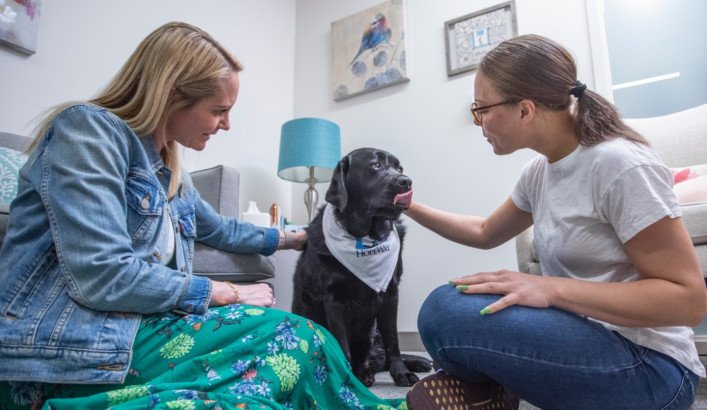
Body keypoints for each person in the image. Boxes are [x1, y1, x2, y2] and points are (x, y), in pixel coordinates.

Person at [0, 22, 406, 410]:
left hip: (138, 329)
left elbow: (222, 230)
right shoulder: (87, 132)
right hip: (69, 348)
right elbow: (102, 273)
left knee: (304, 342)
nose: (226, 125)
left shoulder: (170, 169)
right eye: (219, 110)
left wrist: (292, 237)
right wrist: (219, 291)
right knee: (289, 336)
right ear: (173, 94)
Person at [405, 34, 707, 409]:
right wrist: (408, 206)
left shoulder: (619, 164)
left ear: (525, 110)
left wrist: (550, 289)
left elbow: (688, 301)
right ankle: (497, 389)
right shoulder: (538, 173)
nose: (479, 121)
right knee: (448, 305)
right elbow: (483, 232)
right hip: (582, 337)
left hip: (651, 368)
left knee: (444, 313)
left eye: (481, 108)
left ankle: (491, 388)